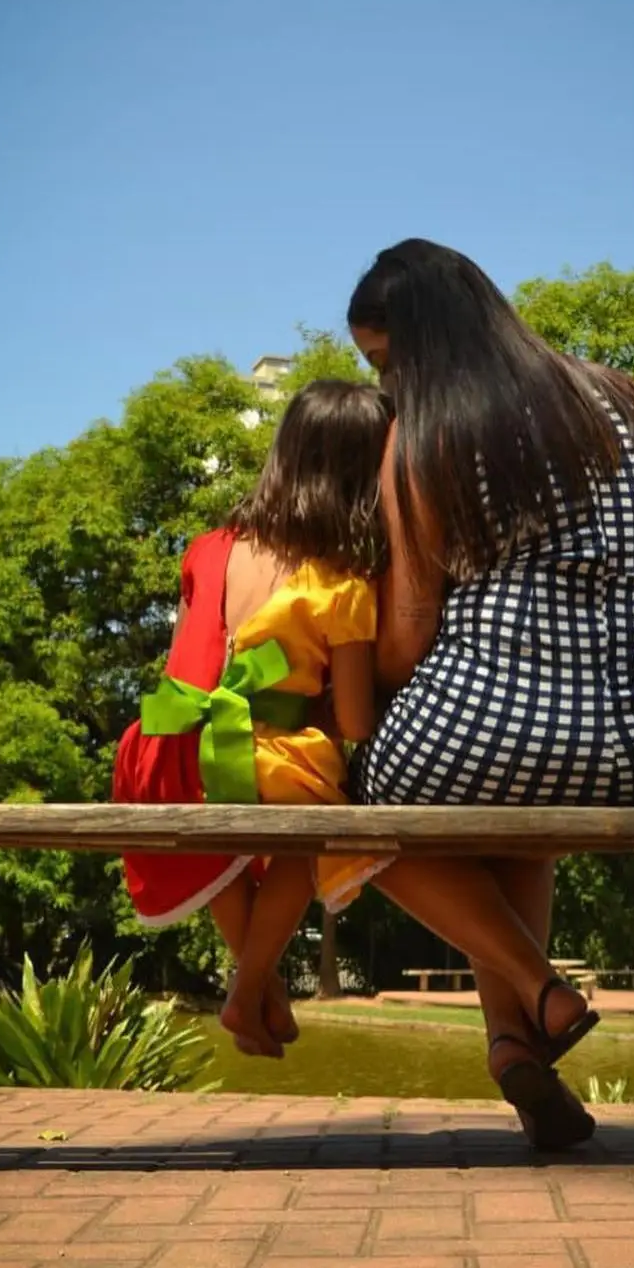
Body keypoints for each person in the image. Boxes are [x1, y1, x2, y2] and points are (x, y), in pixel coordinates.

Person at [343, 239, 634, 1151]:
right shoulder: (621, 400)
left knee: (340, 809)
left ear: (425, 344)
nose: (385, 386)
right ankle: (512, 1049)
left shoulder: (427, 434)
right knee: (511, 812)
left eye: (385, 363)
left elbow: (409, 630)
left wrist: (348, 681)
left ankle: (539, 990)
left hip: (494, 735)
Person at [113, 379, 393, 1058]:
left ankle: (259, 990)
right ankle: (248, 988)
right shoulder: (342, 582)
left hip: (167, 748)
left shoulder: (207, 549)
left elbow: (185, 663)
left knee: (219, 843)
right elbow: (356, 722)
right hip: (270, 753)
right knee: (311, 830)